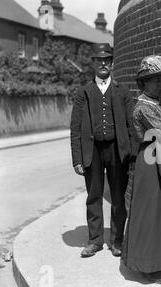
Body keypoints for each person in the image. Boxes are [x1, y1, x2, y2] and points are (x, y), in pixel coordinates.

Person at [122, 55, 161, 284]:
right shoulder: (143, 109)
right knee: (150, 212)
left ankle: (160, 261)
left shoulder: (154, 105)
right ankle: (148, 265)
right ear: (144, 83)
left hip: (159, 158)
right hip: (150, 164)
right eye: (156, 80)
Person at [70, 43, 132, 258]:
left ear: (112, 63)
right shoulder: (83, 92)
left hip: (116, 150)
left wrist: (131, 154)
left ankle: (117, 241)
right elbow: (75, 127)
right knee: (94, 196)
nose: (103, 63)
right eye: (99, 60)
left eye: (107, 59)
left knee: (117, 196)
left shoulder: (122, 91)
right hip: (92, 150)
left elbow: (131, 126)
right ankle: (95, 241)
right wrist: (77, 158)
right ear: (93, 63)